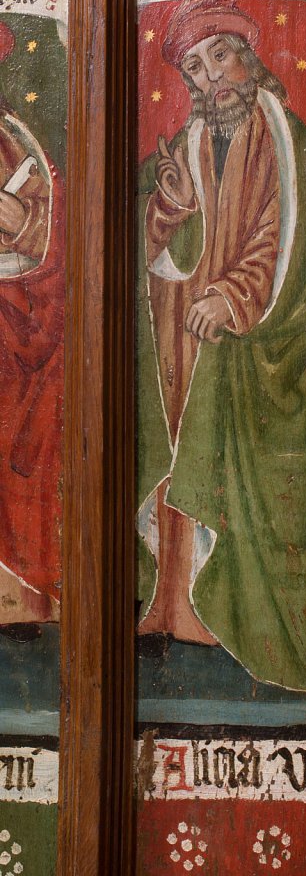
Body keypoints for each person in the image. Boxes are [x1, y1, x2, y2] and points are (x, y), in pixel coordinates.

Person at [136, 0, 306, 693]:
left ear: (249, 58)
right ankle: (184, 612)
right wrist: (166, 208)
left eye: (221, 58)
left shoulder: (284, 135)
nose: (210, 78)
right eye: (196, 68)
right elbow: (165, 238)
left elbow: (287, 234)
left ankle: (241, 620)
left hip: (271, 344)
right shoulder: (193, 142)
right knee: (184, 436)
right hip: (199, 340)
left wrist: (234, 298)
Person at [0, 35, 65, 638]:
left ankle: (21, 600)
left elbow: (59, 225)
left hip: (20, 318)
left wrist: (25, 228)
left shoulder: (18, 141)